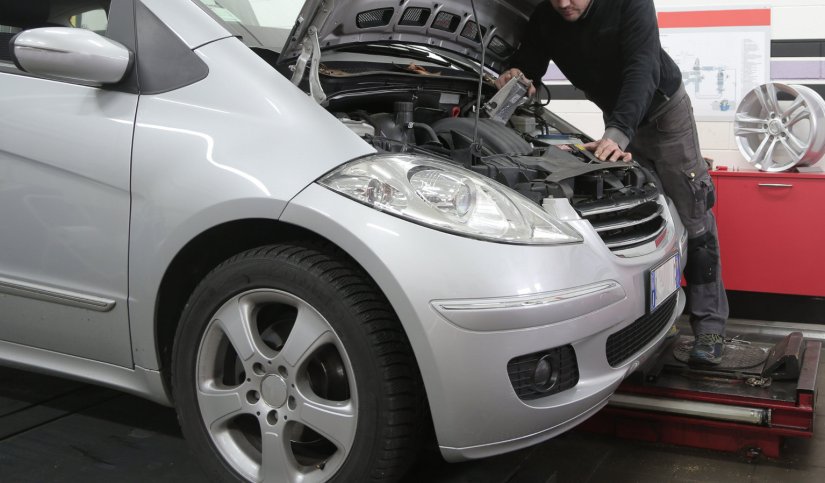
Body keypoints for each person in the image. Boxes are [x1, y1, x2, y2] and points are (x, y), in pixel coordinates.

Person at [496, 0, 728, 365]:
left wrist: (618, 133)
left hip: (664, 114)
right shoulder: (546, 17)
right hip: (618, 118)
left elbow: (643, 69)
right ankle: (658, 317)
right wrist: (517, 76)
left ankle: (710, 327)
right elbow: (531, 66)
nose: (563, 3)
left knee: (693, 216)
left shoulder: (629, 4)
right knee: (644, 216)